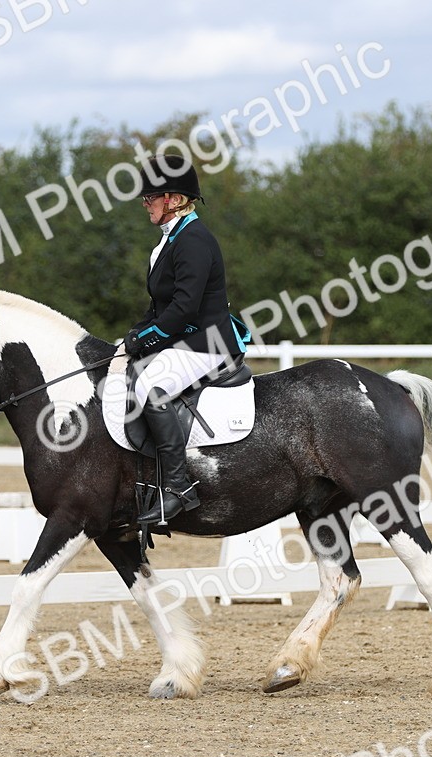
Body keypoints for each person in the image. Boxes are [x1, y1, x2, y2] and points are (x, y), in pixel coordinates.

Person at [123, 153, 246, 524]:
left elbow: (185, 308)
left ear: (174, 199)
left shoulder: (193, 239)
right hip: (183, 338)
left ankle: (178, 487)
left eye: (151, 197)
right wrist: (135, 335)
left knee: (152, 389)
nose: (145, 204)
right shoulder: (167, 241)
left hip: (207, 342)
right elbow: (159, 305)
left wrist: (148, 337)